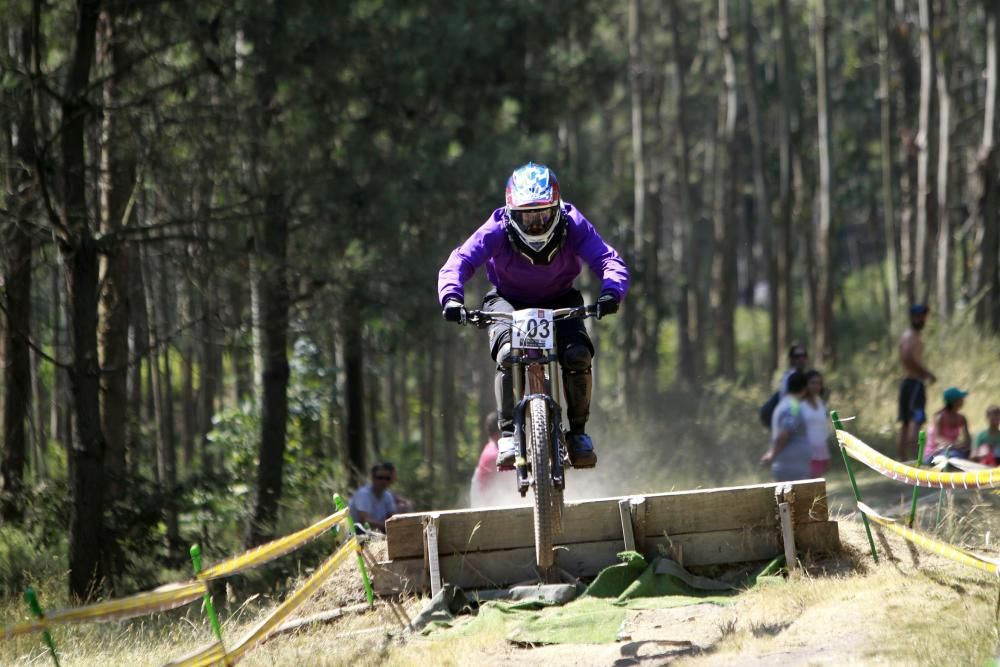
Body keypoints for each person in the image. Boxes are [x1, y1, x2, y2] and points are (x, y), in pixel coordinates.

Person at [437, 162, 630, 470]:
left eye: (542, 215)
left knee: (578, 355)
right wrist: (451, 297)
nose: (536, 225)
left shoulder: (573, 223)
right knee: (508, 354)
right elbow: (460, 260)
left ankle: (578, 434)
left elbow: (607, 258)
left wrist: (611, 292)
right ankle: (510, 435)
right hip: (506, 300)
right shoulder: (497, 228)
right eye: (527, 217)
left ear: (557, 209)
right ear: (511, 213)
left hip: (560, 299)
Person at [898, 304, 936, 462]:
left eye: (923, 316)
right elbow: (906, 357)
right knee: (915, 420)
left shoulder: (912, 335)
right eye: (919, 316)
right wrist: (925, 373)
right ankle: (914, 459)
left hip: (909, 382)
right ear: (912, 317)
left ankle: (903, 459)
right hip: (914, 383)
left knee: (906, 422)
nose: (922, 319)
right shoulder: (910, 335)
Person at [761, 371, 812, 482]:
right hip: (792, 467)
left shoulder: (783, 404)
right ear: (805, 388)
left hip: (789, 465)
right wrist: (772, 454)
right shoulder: (793, 406)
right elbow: (785, 431)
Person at [470, 412, 521, 507]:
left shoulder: (491, 447)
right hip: (485, 502)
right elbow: (512, 482)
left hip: (486, 495)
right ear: (499, 432)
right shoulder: (494, 455)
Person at [923, 387, 972, 463]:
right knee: (953, 456)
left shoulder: (962, 418)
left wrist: (964, 445)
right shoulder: (940, 417)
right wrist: (954, 445)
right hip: (933, 453)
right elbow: (937, 438)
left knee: (968, 454)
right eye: (961, 399)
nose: (963, 401)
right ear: (954, 402)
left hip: (951, 450)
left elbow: (967, 439)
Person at [348, 463, 398, 533]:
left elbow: (393, 517)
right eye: (380, 477)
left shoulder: (388, 496)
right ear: (373, 478)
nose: (383, 481)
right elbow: (365, 521)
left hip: (375, 532)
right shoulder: (363, 494)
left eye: (387, 478)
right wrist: (388, 525)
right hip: (356, 533)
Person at [800, 369, 831, 477]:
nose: (816, 386)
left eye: (818, 383)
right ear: (806, 384)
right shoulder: (800, 405)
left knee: (817, 488)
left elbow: (824, 427)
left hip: (821, 451)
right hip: (805, 452)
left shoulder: (821, 403)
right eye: (812, 383)